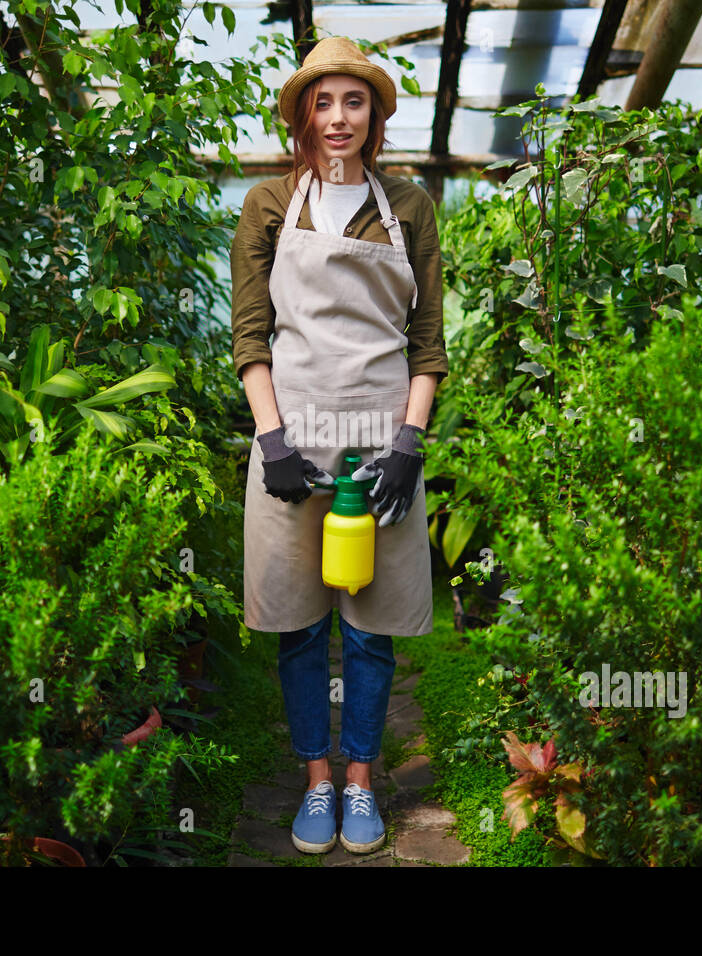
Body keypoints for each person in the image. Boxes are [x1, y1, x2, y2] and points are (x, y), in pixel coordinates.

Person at [230, 35, 449, 855]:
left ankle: (361, 783)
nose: (337, 118)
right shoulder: (267, 205)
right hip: (292, 438)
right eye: (321, 102)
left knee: (368, 623)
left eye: (353, 101)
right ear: (300, 114)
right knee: (296, 625)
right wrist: (273, 440)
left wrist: (409, 443)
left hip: (378, 441)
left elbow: (426, 338)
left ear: (375, 113)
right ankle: (315, 781)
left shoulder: (411, 207)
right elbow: (252, 335)